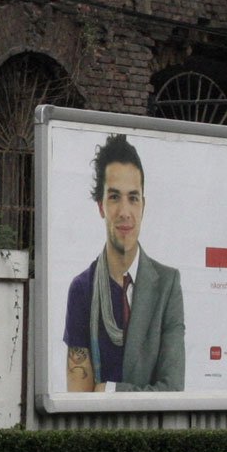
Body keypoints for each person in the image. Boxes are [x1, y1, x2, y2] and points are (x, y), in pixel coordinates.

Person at [64, 134, 185, 391]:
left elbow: (173, 389)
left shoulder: (167, 285)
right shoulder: (83, 289)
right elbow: (78, 397)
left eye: (133, 198)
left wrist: (109, 390)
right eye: (114, 197)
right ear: (101, 206)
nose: (125, 212)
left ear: (143, 206)